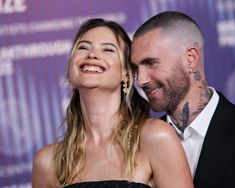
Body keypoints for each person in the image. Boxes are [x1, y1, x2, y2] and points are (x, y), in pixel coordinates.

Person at [32, 18, 194, 188]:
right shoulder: (47, 162)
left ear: (126, 73)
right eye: (83, 47)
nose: (92, 54)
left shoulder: (155, 137)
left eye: (108, 49)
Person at [131, 11, 235, 188]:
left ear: (191, 58)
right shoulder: (141, 143)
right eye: (135, 68)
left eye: (151, 63)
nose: (140, 80)